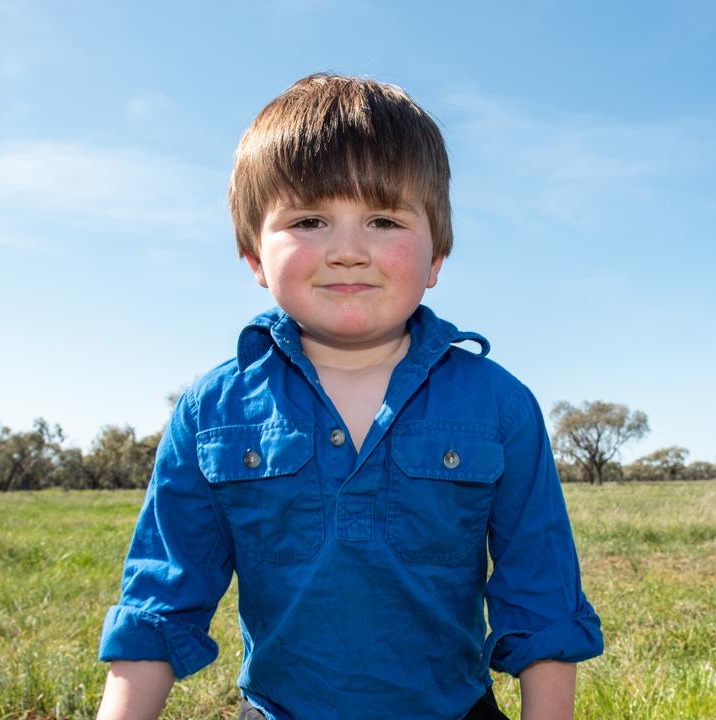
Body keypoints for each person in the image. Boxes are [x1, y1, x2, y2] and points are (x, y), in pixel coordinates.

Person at [95, 73, 603, 720]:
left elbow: (543, 600)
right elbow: (161, 604)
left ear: (437, 255)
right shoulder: (212, 413)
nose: (348, 251)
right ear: (254, 254)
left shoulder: (501, 407)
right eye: (309, 220)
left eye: (384, 220)